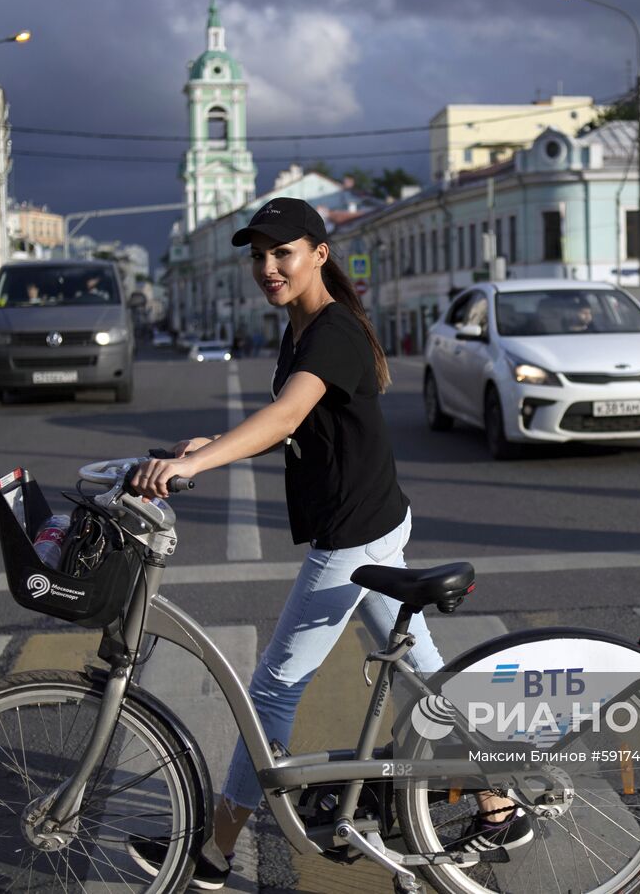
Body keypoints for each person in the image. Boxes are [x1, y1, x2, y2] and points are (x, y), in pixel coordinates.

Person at [126, 197, 528, 888]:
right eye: (258, 255)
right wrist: (208, 447)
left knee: (273, 692)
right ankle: (500, 802)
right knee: (424, 682)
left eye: (282, 252)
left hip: (355, 536)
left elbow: (287, 410)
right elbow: (296, 427)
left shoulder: (332, 330)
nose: (267, 267)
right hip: (371, 519)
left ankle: (212, 855)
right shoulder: (304, 325)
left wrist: (194, 466)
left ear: (319, 253)